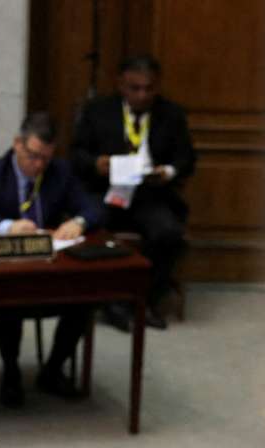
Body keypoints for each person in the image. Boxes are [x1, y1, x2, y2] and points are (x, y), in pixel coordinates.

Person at [0, 113, 102, 406]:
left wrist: (79, 221)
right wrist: (8, 226)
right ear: (17, 144)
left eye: (45, 159)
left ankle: (52, 369)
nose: (38, 165)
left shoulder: (60, 172)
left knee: (86, 299)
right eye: (33, 156)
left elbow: (94, 206)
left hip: (49, 270)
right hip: (5, 273)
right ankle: (11, 373)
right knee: (9, 300)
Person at [70, 54, 196, 331]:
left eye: (149, 88)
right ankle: (110, 300)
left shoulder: (171, 114)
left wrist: (169, 172)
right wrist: (95, 164)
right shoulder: (97, 111)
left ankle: (145, 300)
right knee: (89, 229)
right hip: (106, 192)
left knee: (168, 234)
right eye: (134, 88)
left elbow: (186, 158)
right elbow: (76, 155)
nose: (142, 95)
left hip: (150, 195)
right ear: (120, 85)